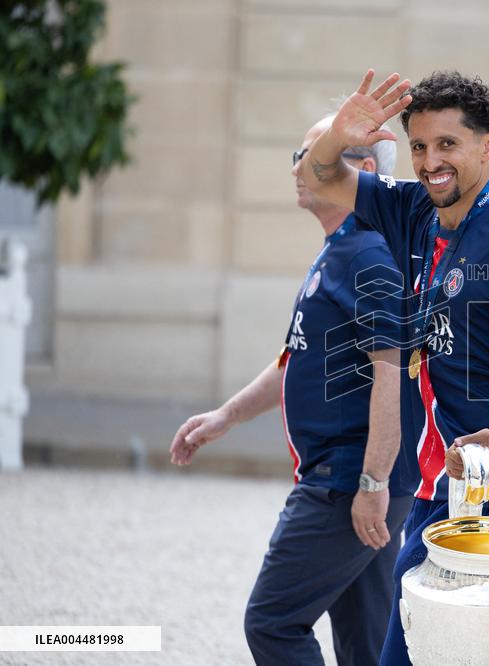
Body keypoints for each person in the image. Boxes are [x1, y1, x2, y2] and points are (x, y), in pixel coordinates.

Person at [300, 69, 489, 666]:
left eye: (448, 144)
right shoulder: (414, 213)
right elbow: (316, 175)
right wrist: (338, 135)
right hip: (432, 491)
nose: (430, 162)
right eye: (420, 146)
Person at [169, 114, 414, 665]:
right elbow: (294, 360)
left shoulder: (367, 253)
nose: (301, 169)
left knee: (274, 623)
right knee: (366, 645)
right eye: (299, 156)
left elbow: (390, 371)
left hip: (348, 481)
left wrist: (372, 482)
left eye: (317, 157)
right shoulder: (340, 250)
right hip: (360, 479)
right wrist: (226, 417)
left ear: (364, 171)